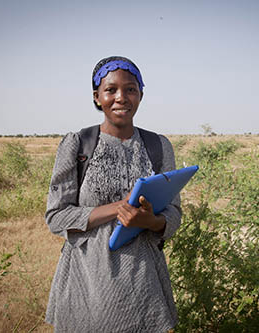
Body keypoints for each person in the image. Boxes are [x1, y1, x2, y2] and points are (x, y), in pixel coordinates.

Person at [45, 56, 181, 332]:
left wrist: (151, 222)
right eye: (111, 90)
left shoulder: (159, 146)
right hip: (87, 280)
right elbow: (56, 217)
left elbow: (174, 214)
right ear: (97, 97)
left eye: (130, 89)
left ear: (141, 94)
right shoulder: (77, 144)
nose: (121, 97)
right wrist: (120, 207)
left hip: (144, 283)